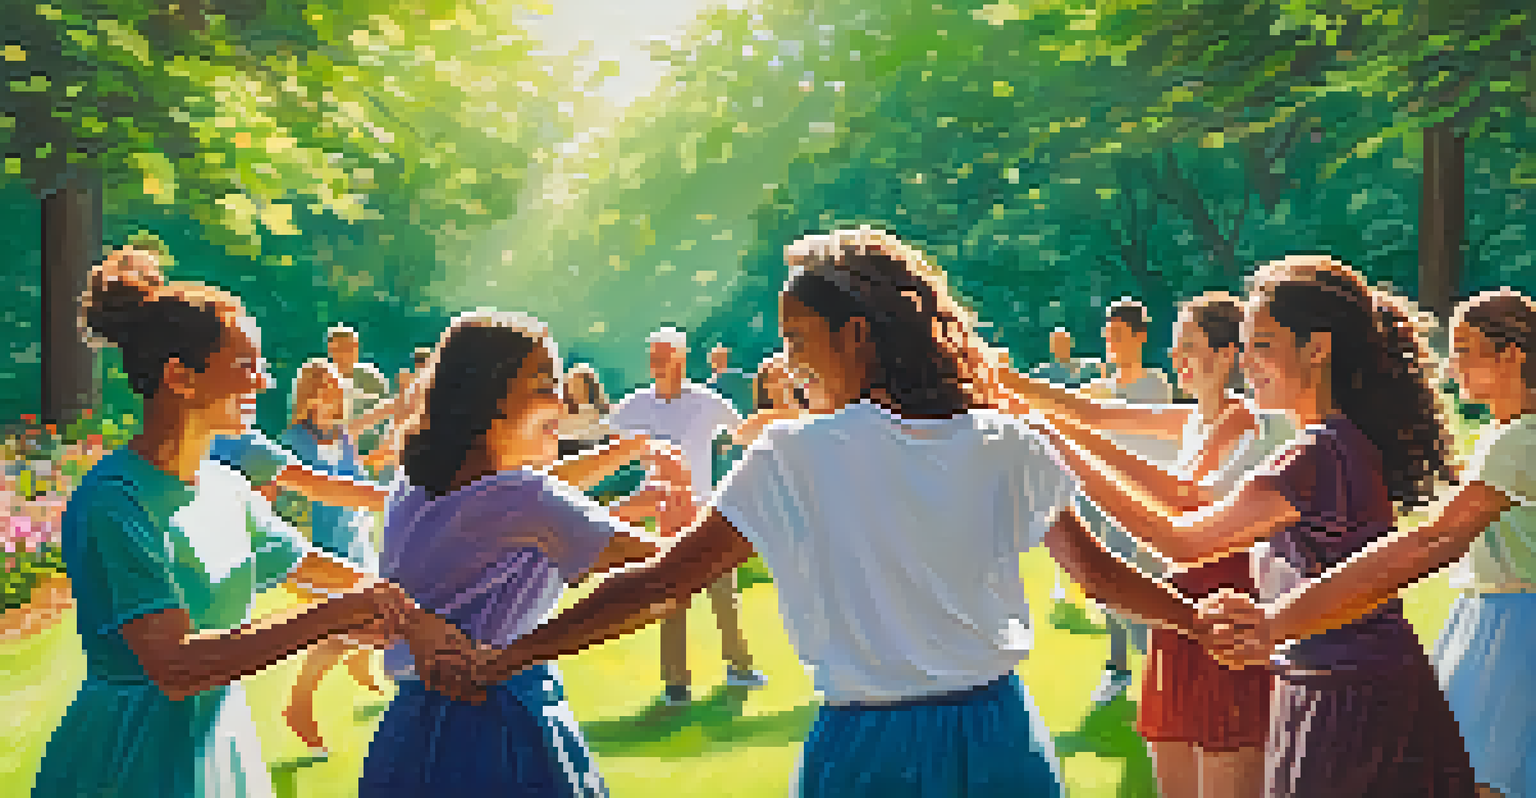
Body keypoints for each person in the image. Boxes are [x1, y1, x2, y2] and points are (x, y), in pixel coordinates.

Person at [469, 228, 1226, 798]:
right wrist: (1198, 622)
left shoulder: (795, 455)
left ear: (856, 335)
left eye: (798, 339)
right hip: (1000, 739)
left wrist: (507, 656)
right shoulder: (1000, 440)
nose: (788, 363)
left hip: (872, 752)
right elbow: (1100, 576)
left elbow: (663, 584)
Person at [1016, 256, 1477, 797]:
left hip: (1344, 696)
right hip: (1352, 681)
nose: (1248, 362)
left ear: (1317, 348)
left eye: (1263, 344)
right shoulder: (1344, 442)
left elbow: (1181, 541)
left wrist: (1054, 450)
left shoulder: (1314, 455)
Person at [32, 247, 476, 798]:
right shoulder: (114, 502)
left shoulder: (226, 486)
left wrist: (419, 613)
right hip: (131, 760)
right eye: (245, 365)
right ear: (179, 377)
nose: (264, 382)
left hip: (216, 742)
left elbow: (313, 568)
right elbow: (175, 667)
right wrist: (335, 616)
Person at [1198, 287, 1536, 798]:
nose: (1452, 366)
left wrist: (1278, 621)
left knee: (1485, 781)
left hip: (1511, 629)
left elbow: (1438, 537)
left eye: (1465, 350)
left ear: (1511, 355)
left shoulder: (1518, 440)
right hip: (1485, 617)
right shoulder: (1502, 435)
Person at [358, 310, 686, 798]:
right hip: (503, 728)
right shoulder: (524, 499)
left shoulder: (414, 487)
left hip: (410, 734)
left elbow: (517, 512)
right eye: (543, 386)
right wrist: (681, 517)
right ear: (488, 399)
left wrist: (621, 484)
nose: (563, 400)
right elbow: (676, 572)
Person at [1006, 294, 1291, 797]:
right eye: (1176, 347)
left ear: (1227, 354)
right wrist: (1002, 385)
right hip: (1176, 613)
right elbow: (1092, 414)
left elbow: (1185, 497)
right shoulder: (1190, 419)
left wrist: (1051, 437)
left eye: (1190, 346)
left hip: (1225, 612)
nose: (1177, 358)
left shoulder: (1245, 421)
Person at [607, 327, 765, 706]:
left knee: (724, 596)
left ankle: (740, 668)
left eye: (663, 356)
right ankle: (677, 685)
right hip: (664, 512)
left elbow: (741, 435)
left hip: (707, 512)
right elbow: (605, 439)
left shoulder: (706, 402)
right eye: (652, 356)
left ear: (680, 359)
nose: (655, 363)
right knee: (671, 599)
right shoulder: (635, 405)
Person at [277, 358, 389, 757]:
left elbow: (357, 481)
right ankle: (298, 706)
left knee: (372, 622)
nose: (336, 400)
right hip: (323, 550)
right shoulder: (292, 441)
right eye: (327, 392)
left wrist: (383, 461)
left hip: (357, 543)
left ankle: (358, 665)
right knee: (346, 627)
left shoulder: (342, 437)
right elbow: (288, 494)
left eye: (339, 393)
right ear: (308, 397)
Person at [1077, 298, 1178, 706]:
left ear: (1139, 337)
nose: (1111, 342)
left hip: (1140, 502)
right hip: (1101, 499)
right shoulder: (1101, 386)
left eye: (1119, 334)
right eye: (1108, 334)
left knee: (1135, 590)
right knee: (1105, 586)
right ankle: (1119, 669)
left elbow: (1144, 432)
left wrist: (1100, 395)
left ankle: (1161, 672)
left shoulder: (1155, 384)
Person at [558, 363, 615, 460]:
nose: (574, 390)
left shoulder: (597, 413)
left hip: (588, 451)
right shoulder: (562, 410)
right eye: (572, 385)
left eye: (578, 385)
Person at [1029, 327, 1103, 388]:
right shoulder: (1042, 371)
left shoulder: (1086, 366)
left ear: (1071, 344)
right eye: (1058, 343)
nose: (1061, 346)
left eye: (1064, 342)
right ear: (1051, 347)